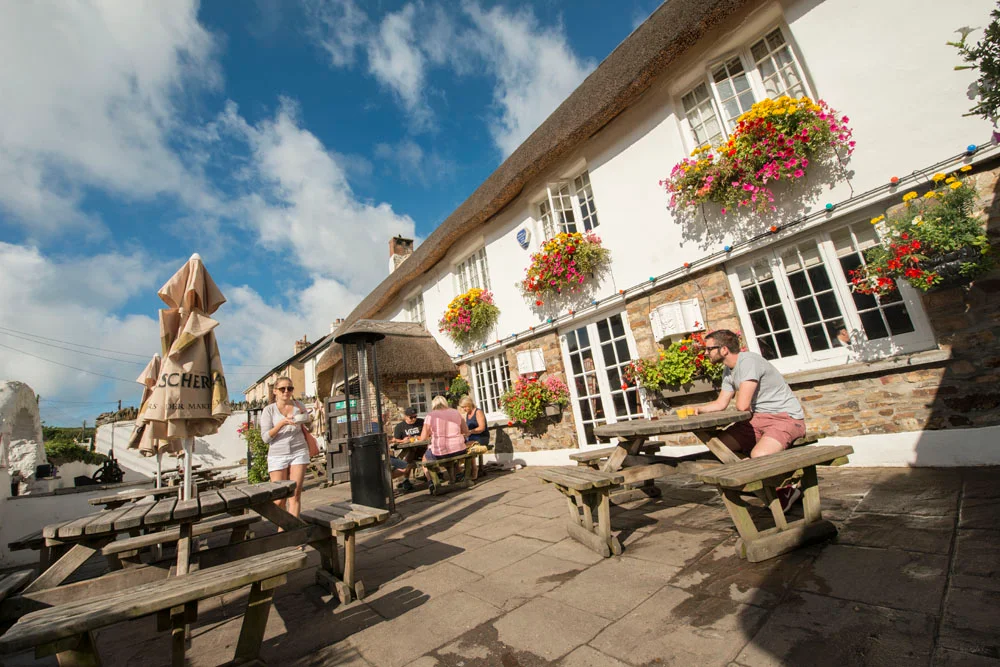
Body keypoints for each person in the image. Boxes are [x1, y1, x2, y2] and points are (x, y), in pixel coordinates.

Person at [692, 329, 806, 510]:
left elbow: (742, 406)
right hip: (756, 420)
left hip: (785, 418)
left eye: (709, 349)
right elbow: (721, 403)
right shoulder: (728, 370)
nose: (706, 353)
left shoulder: (749, 362)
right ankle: (757, 480)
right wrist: (697, 410)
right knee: (719, 447)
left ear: (723, 350)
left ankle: (787, 489)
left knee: (759, 455)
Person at [259, 376, 310, 517]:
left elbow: (307, 426)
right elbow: (265, 438)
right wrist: (281, 424)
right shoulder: (269, 410)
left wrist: (307, 420)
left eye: (290, 388)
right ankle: (281, 532)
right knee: (279, 499)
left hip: (299, 451)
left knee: (295, 495)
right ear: (275, 391)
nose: (286, 391)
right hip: (277, 455)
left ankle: (291, 534)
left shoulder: (299, 405)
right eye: (282, 388)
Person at [419, 395, 469, 488]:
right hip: (459, 449)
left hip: (441, 452)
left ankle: (432, 483)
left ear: (433, 404)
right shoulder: (456, 412)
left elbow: (423, 437)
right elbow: (466, 431)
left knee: (425, 459)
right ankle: (458, 475)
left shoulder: (430, 415)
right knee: (450, 454)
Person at [390, 406, 425, 492]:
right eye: (411, 417)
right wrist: (403, 441)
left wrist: (419, 437)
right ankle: (406, 479)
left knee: (428, 452)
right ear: (405, 416)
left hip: (422, 447)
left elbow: (427, 434)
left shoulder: (421, 422)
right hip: (409, 450)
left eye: (415, 416)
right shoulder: (400, 426)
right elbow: (395, 440)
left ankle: (435, 474)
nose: (413, 419)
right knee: (411, 452)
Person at [458, 395, 488, 480]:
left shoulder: (478, 412)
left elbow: (482, 428)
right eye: (462, 407)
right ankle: (465, 469)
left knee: (469, 447)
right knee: (460, 446)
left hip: (481, 436)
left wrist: (470, 432)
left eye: (465, 407)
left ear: (469, 404)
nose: (464, 409)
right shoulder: (468, 414)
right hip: (472, 437)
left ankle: (474, 469)